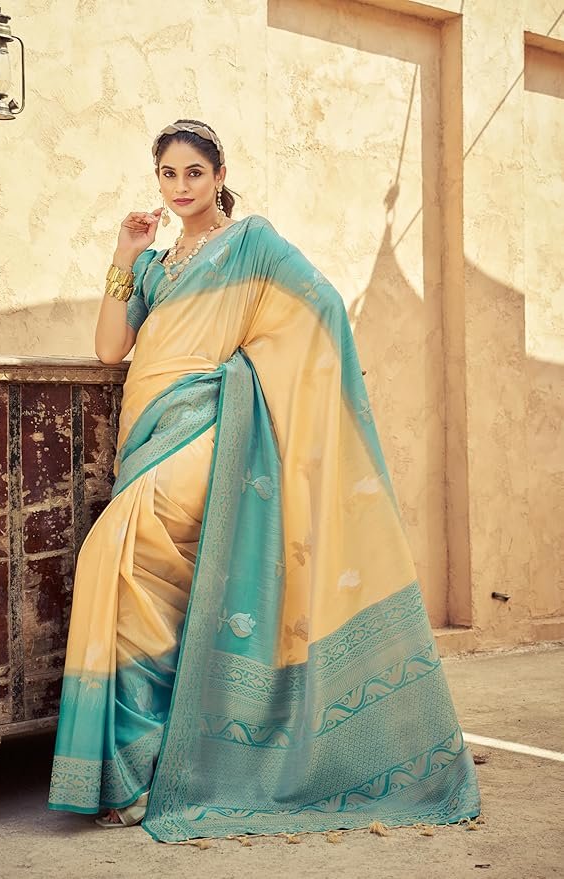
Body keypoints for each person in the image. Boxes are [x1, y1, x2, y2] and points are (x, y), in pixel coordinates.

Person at [48, 119, 481, 841]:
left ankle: (144, 766)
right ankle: (144, 771)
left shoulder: (250, 243)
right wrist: (123, 255)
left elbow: (322, 309)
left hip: (205, 430)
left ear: (219, 176)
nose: (180, 187)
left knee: (111, 556)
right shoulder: (154, 266)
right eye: (167, 174)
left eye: (194, 173)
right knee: (146, 595)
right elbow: (109, 348)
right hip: (147, 435)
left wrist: (243, 379)